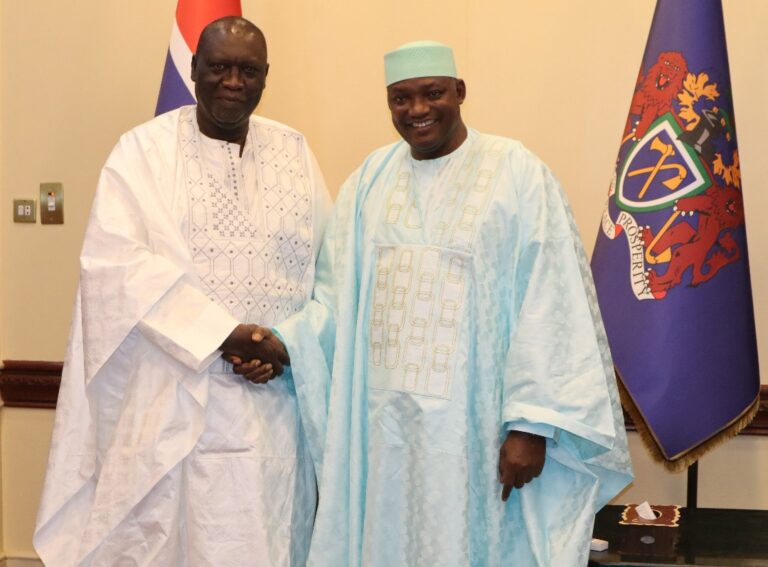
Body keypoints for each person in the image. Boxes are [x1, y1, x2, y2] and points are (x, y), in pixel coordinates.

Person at [240, 40, 632, 566]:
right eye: (401, 98)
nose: (417, 110)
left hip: (478, 432)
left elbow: (550, 299)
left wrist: (531, 426)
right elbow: (335, 299)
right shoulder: (369, 182)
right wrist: (282, 343)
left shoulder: (517, 174)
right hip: (383, 433)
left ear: (460, 92)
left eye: (432, 94)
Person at [33, 17, 331, 566]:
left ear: (267, 77)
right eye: (219, 67)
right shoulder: (141, 153)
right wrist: (224, 334)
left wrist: (284, 344)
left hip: (273, 418)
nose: (233, 82)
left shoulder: (295, 152)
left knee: (265, 542)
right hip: (169, 406)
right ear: (193, 70)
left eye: (248, 70)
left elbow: (331, 275)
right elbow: (114, 264)